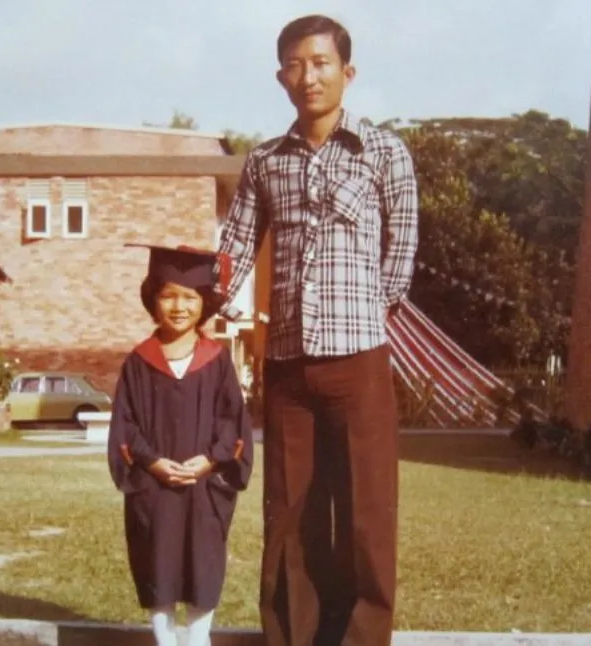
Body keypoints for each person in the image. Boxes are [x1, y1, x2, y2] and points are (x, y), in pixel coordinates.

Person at [216, 14, 420, 646]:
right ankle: (292, 637)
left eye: (322, 63)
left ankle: (360, 639)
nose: (310, 76)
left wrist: (360, 317)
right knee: (290, 513)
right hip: (287, 367)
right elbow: (236, 246)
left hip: (359, 362)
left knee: (365, 512)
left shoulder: (385, 153)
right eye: (296, 65)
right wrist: (194, 299)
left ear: (347, 72)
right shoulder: (265, 162)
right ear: (282, 77)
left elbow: (400, 256)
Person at [107, 243, 255, 646]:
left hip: (203, 487)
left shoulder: (216, 360)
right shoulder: (139, 362)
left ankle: (198, 639)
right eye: (168, 295)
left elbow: (234, 423)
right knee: (158, 563)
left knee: (202, 563)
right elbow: (125, 425)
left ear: (203, 304)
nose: (178, 306)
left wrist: (211, 460)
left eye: (189, 297)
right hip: (154, 488)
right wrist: (152, 462)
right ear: (153, 301)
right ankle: (164, 641)